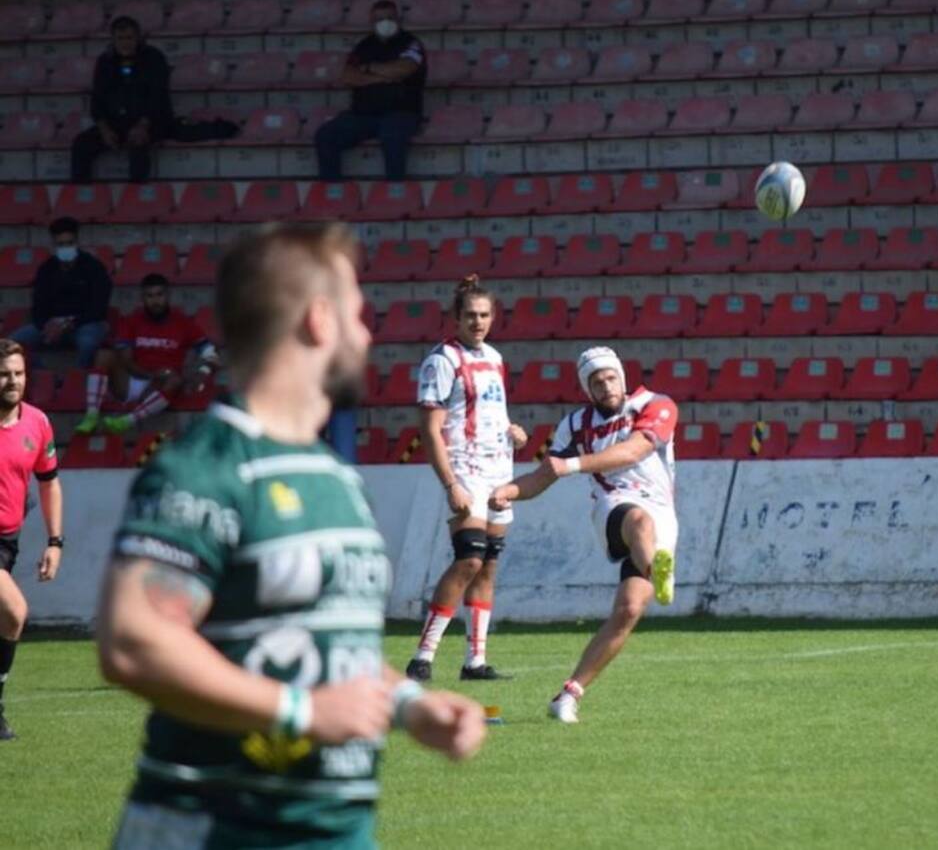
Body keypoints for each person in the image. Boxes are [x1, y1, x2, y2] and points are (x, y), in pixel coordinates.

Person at [96, 223, 485, 847]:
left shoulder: (332, 476)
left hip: (334, 832)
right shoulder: (206, 470)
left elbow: (322, 646)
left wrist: (411, 705)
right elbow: (133, 643)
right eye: (358, 315)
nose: (367, 335)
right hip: (217, 830)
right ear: (319, 319)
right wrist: (301, 714)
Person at [490, 346, 678, 724]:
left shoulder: (655, 404)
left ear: (621, 378)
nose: (606, 386)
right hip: (614, 506)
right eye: (597, 381)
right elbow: (544, 475)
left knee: (628, 611)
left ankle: (568, 695)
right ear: (587, 389)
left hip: (663, 511)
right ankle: (658, 570)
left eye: (611, 377)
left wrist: (572, 465)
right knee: (639, 522)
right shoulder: (575, 425)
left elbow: (633, 451)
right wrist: (509, 490)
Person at [406, 276, 526, 683]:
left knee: (488, 565)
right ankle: (423, 655)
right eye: (471, 315)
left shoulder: (494, 358)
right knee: (469, 558)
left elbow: (491, 411)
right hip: (466, 471)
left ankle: (475, 661)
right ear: (456, 319)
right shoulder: (442, 361)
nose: (478, 322)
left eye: (484, 315)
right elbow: (430, 428)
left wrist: (514, 431)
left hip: (498, 471)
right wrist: (450, 483)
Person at [0, 339, 64, 741]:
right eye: (5, 373)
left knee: (6, 619)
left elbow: (49, 483)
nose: (13, 381)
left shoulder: (37, 423)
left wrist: (55, 542)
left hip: (10, 540)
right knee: (14, 611)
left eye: (19, 373)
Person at [76, 273, 218, 436]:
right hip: (133, 379)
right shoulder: (132, 321)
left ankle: (126, 421)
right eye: (149, 296)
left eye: (159, 295)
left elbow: (211, 352)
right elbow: (126, 360)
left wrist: (203, 371)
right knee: (103, 355)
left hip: (162, 384)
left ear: (168, 295)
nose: (155, 301)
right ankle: (91, 416)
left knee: (174, 379)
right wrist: (151, 374)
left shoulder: (183, 322)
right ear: (142, 298)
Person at [315, 0, 426, 182]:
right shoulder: (364, 46)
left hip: (401, 112)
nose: (385, 23)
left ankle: (395, 190)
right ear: (371, 22)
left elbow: (404, 69)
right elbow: (348, 76)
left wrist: (367, 68)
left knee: (392, 135)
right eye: (379, 19)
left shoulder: (410, 43)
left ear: (398, 19)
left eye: (389, 17)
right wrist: (385, 76)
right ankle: (332, 190)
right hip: (363, 115)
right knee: (326, 135)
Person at [71, 16, 172, 184]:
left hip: (151, 120)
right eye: (120, 38)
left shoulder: (154, 58)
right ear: (113, 40)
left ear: (138, 38)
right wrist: (104, 129)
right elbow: (97, 99)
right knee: (81, 144)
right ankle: (81, 194)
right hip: (116, 122)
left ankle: (136, 195)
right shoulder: (105, 61)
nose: (125, 43)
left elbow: (158, 97)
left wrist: (142, 125)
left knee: (138, 142)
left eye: (129, 38)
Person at [9, 217, 112, 368]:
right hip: (52, 325)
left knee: (88, 343)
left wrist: (70, 323)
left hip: (85, 324)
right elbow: (38, 305)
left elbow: (98, 307)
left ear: (77, 242)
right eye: (61, 244)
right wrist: (48, 324)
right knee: (13, 343)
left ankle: (76, 381)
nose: (66, 248)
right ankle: (45, 379)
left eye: (70, 243)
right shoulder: (46, 269)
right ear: (54, 245)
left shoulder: (94, 267)